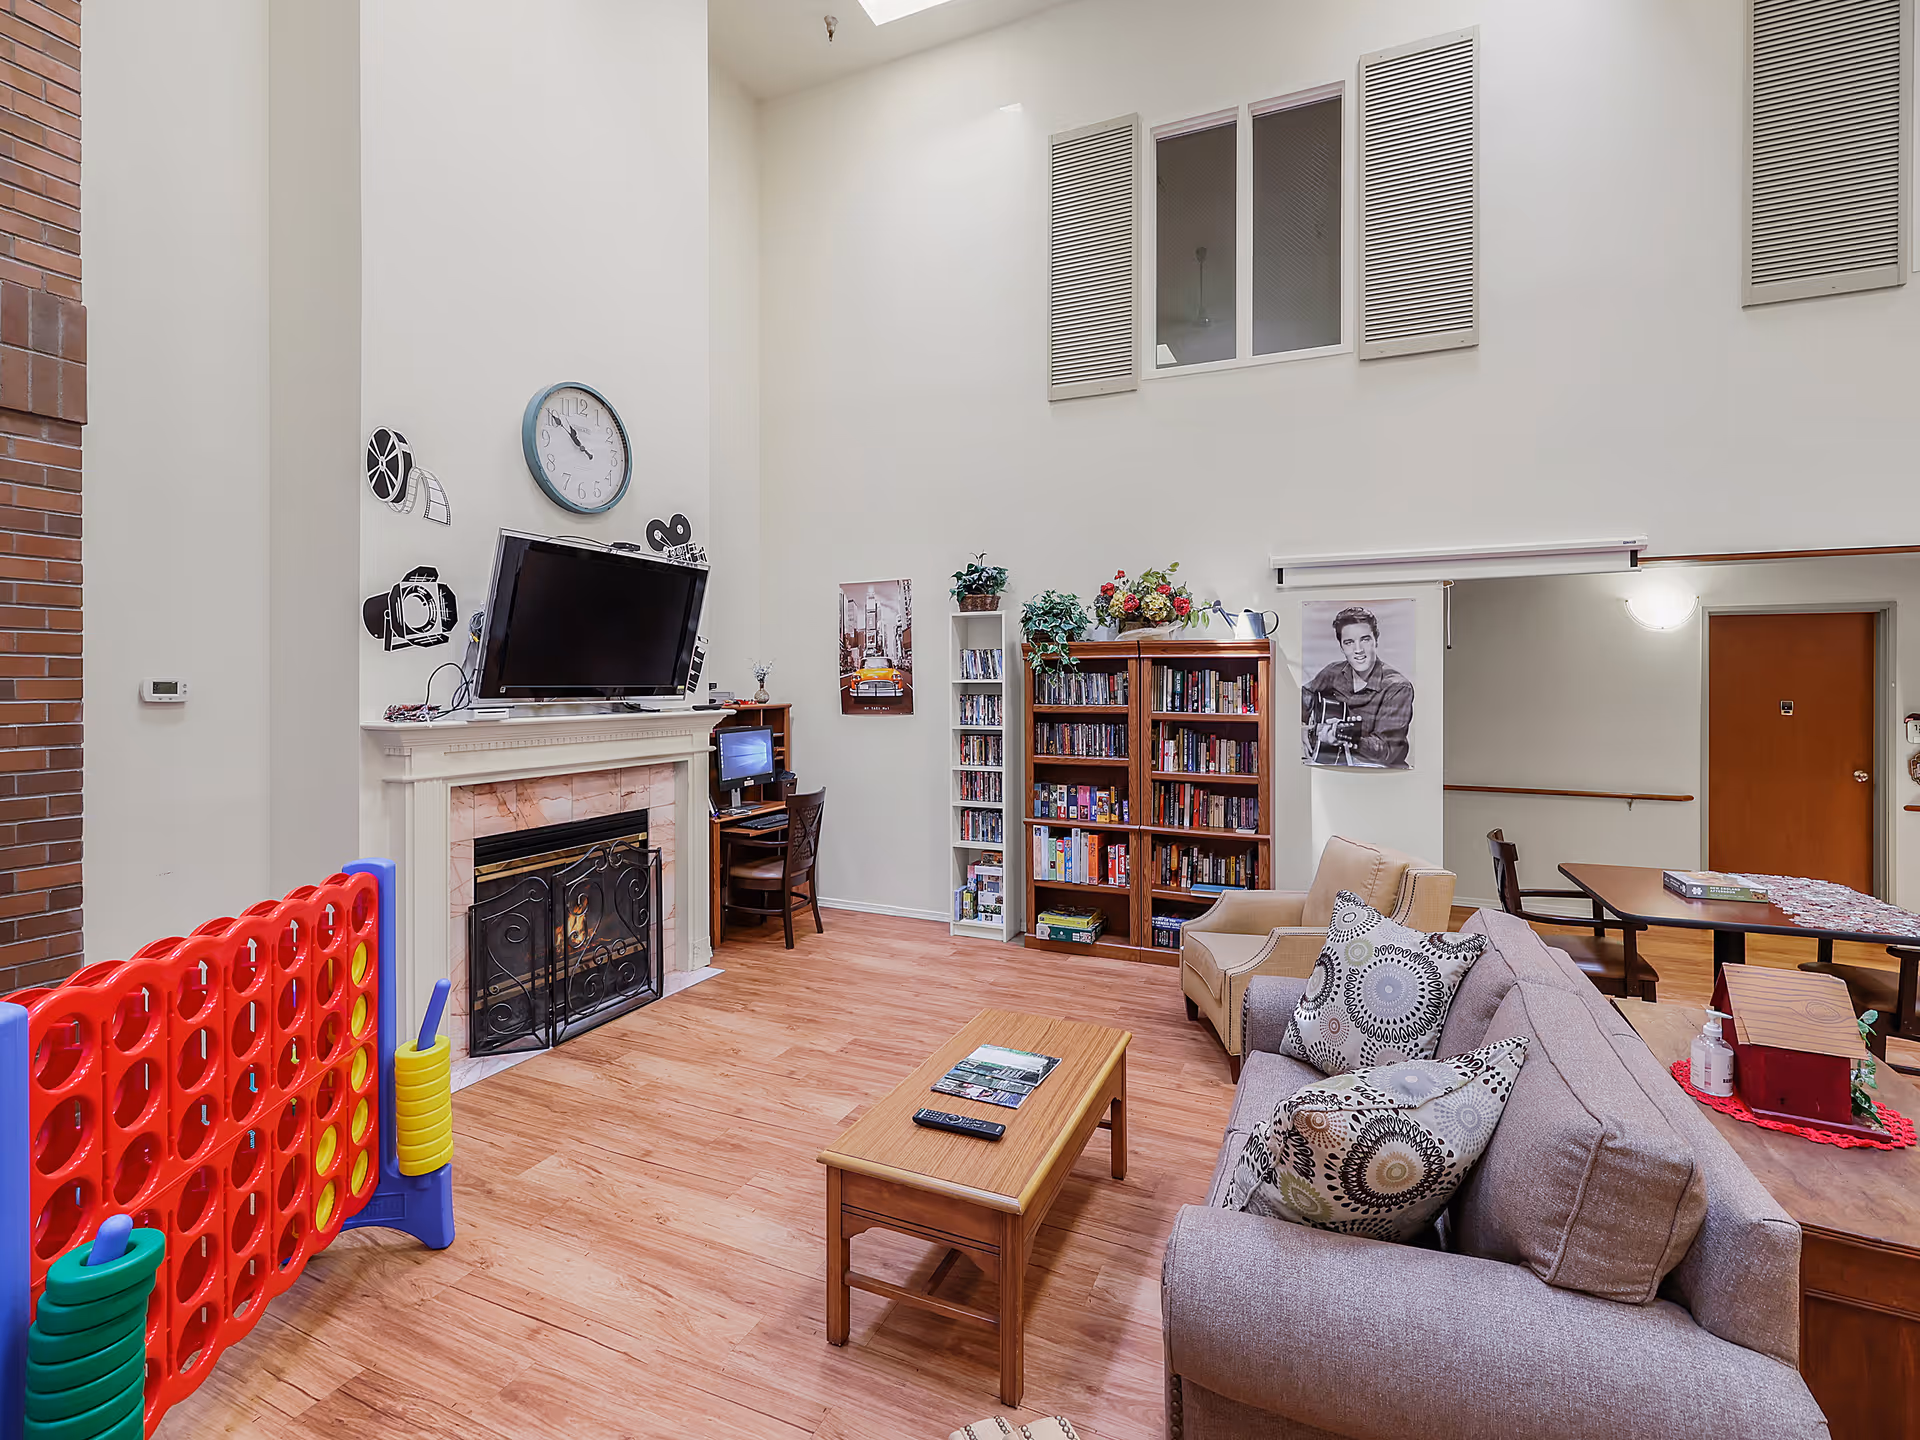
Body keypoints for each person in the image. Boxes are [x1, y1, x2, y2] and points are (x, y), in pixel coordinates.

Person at [1302, 605, 1414, 768]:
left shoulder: (1397, 687)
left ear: (1376, 640)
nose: (1358, 650)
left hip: (1381, 773)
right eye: (1349, 642)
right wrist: (1302, 726)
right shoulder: (1334, 672)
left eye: (1365, 639)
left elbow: (1386, 752)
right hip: (1335, 766)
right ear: (1341, 646)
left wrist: (1347, 737)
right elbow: (1304, 695)